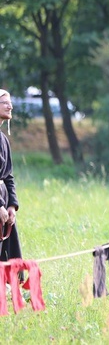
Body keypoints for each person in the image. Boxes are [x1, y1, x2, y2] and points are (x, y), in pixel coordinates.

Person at [0, 89, 22, 263]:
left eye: (10, 102)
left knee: (6, 257)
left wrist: (11, 205)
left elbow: (8, 176)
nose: (10, 106)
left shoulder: (3, 139)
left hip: (4, 204)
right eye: (5, 102)